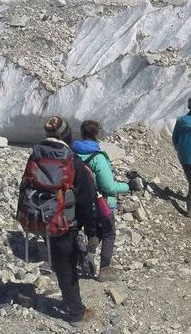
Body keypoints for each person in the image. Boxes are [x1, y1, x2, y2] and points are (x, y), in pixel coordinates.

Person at [18, 116, 98, 323]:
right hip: (65, 222)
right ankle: (76, 311)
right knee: (68, 266)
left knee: (59, 260)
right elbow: (86, 198)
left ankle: (69, 300)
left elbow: (26, 186)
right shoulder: (73, 161)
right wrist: (90, 230)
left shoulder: (35, 156)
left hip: (41, 217)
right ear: (67, 135)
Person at [72, 120, 133, 282]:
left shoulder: (72, 155)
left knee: (93, 231)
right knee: (109, 233)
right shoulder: (98, 158)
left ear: (82, 133)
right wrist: (128, 186)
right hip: (100, 204)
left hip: (79, 204)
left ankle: (88, 255)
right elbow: (108, 187)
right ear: (97, 134)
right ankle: (104, 269)